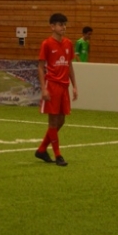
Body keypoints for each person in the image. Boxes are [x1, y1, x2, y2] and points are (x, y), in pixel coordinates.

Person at [35, 13, 78, 166]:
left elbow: (69, 65)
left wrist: (74, 86)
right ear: (52, 27)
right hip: (52, 85)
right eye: (60, 24)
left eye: (64, 24)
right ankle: (58, 155)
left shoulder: (68, 43)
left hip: (64, 86)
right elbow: (40, 67)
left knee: (61, 120)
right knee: (53, 121)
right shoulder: (47, 44)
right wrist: (43, 89)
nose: (63, 27)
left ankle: (41, 149)